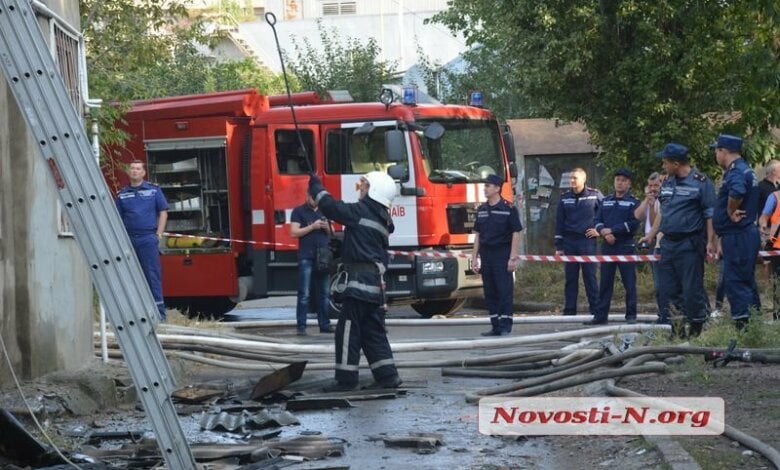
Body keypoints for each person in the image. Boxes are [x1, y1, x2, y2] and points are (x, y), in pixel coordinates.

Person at [308, 171, 402, 390]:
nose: (361, 188)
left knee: (347, 330)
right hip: (374, 286)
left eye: (365, 185)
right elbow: (366, 246)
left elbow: (331, 207)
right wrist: (344, 247)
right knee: (372, 330)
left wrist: (316, 186)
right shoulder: (381, 218)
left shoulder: (361, 211)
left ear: (375, 191)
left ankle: (346, 380)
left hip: (360, 285)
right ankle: (388, 376)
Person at [640, 143, 716, 337]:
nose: (663, 166)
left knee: (691, 289)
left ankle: (697, 330)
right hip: (668, 244)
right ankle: (677, 331)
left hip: (690, 243)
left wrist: (711, 241)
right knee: (668, 290)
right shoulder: (668, 182)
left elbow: (709, 214)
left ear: (676, 163)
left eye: (665, 162)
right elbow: (663, 213)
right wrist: (651, 235)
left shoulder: (701, 182)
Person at [711, 134, 760, 331]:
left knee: (736, 281)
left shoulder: (737, 171)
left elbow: (737, 192)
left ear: (723, 151)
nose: (715, 154)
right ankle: (755, 326)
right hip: (740, 235)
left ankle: (743, 329)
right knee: (746, 280)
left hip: (739, 235)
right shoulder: (746, 169)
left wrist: (730, 211)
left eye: (716, 150)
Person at [115, 160, 169, 321]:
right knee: (129, 276)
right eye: (132, 168)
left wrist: (158, 234)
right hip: (129, 239)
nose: (134, 171)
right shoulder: (122, 194)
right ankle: (134, 314)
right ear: (128, 172)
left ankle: (159, 315)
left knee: (152, 275)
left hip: (147, 238)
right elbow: (117, 218)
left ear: (143, 173)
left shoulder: (153, 191)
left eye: (138, 169)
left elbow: (163, 212)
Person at [585, 168, 640, 325]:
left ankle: (631, 315)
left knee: (629, 283)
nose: (620, 183)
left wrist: (614, 231)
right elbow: (597, 220)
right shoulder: (606, 200)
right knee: (605, 283)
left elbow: (634, 223)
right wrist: (604, 232)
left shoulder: (633, 202)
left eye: (623, 180)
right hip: (607, 246)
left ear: (629, 183)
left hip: (625, 246)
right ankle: (601, 316)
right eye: (617, 180)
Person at [472, 174, 523, 336]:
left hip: (502, 254)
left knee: (504, 290)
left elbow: (516, 232)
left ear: (497, 188)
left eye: (488, 186)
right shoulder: (481, 210)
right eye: (485, 186)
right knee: (490, 291)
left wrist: (513, 257)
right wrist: (474, 257)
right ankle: (495, 325)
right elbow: (478, 235)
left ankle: (505, 325)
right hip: (486, 255)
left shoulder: (508, 209)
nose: (485, 189)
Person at [555, 168, 603, 316]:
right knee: (570, 278)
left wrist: (599, 231)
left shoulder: (595, 195)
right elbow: (559, 222)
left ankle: (595, 310)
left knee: (590, 277)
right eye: (571, 178)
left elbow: (607, 212)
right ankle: (569, 311)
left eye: (575, 178)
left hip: (587, 241)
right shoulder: (564, 198)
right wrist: (559, 246)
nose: (572, 181)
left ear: (583, 179)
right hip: (570, 242)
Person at [290, 195, 335, 336]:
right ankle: (301, 326)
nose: (314, 200)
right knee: (304, 293)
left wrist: (327, 227)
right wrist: (312, 226)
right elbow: (293, 232)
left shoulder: (325, 211)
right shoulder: (298, 211)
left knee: (324, 294)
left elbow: (332, 233)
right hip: (306, 256)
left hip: (323, 257)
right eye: (312, 197)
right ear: (307, 196)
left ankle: (325, 324)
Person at [759, 185, 780, 320]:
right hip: (777, 247)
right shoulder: (775, 197)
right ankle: (777, 314)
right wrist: (763, 225)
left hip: (777, 246)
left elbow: (764, 217)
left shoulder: (775, 196)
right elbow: (764, 217)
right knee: (777, 282)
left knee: (778, 282)